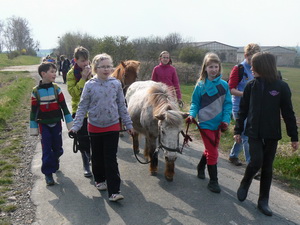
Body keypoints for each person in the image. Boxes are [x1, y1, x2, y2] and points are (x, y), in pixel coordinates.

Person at [234, 52, 298, 216]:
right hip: (253, 132)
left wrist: (294, 136)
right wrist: (238, 130)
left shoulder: (281, 87)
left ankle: (263, 201)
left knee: (267, 167)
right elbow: (243, 110)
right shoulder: (250, 86)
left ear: (264, 66)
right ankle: (245, 181)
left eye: (254, 65)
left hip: (272, 134)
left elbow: (288, 113)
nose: (252, 68)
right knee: (256, 161)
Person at [69, 53, 134, 202]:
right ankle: (99, 179)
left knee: (111, 159)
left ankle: (114, 192)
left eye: (108, 66)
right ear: (95, 68)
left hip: (112, 126)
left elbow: (121, 106)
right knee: (97, 157)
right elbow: (82, 106)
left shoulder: (116, 84)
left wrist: (128, 124)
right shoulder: (89, 85)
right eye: (102, 67)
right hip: (95, 127)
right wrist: (76, 126)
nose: (106, 69)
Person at [187, 52, 232, 193]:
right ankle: (213, 182)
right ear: (205, 68)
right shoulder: (200, 86)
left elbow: (227, 105)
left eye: (216, 67)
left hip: (218, 124)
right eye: (210, 66)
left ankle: (201, 167)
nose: (213, 69)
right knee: (213, 153)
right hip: (204, 123)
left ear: (219, 68)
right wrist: (191, 115)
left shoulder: (224, 85)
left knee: (211, 150)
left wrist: (226, 120)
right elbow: (195, 103)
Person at [29, 62, 73, 185]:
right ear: (43, 74)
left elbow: (64, 107)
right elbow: (33, 112)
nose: (55, 74)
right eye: (52, 72)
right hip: (43, 125)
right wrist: (33, 129)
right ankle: (48, 174)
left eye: (55, 71)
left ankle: (56, 158)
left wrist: (71, 126)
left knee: (58, 148)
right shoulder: (35, 91)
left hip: (56, 123)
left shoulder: (56, 89)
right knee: (46, 149)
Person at [228, 43, 261, 166]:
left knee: (242, 134)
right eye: (252, 59)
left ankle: (233, 156)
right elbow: (230, 89)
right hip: (239, 107)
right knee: (247, 136)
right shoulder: (239, 69)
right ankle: (251, 165)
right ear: (246, 55)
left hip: (253, 107)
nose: (254, 62)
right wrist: (246, 94)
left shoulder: (258, 68)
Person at [67, 46, 93, 177]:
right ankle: (86, 164)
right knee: (83, 141)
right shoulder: (71, 74)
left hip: (95, 111)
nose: (85, 63)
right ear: (76, 60)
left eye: (87, 60)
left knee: (95, 139)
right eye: (82, 61)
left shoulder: (94, 72)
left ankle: (95, 161)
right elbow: (74, 94)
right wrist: (83, 79)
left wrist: (91, 76)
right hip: (79, 112)